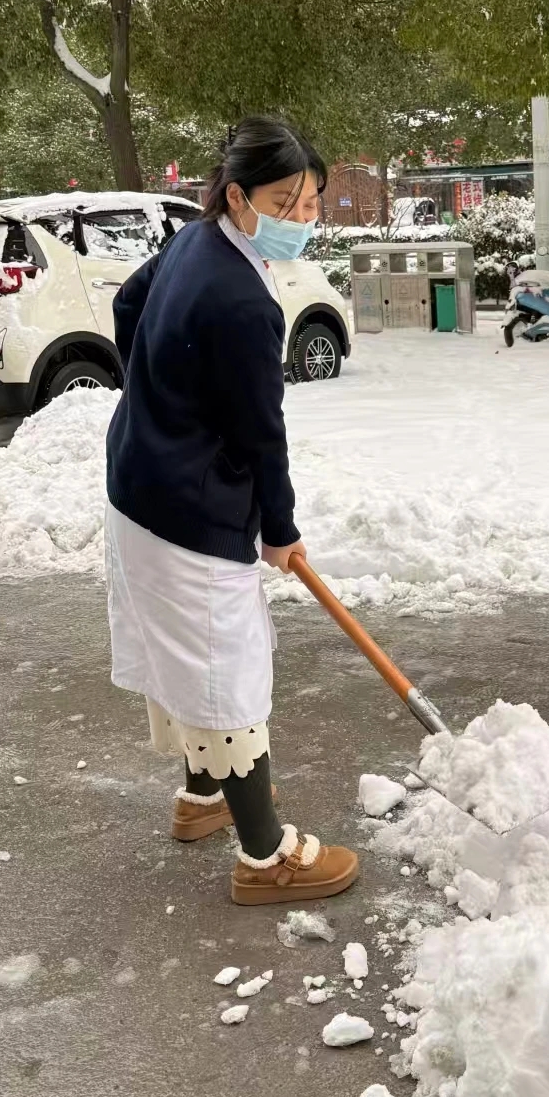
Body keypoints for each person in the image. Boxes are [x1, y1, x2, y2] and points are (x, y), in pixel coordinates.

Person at [103, 116, 359, 906]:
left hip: (141, 485)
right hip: (187, 510)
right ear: (239, 197)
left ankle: (202, 796)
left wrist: (156, 399)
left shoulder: (195, 240)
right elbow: (259, 432)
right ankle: (265, 855)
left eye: (312, 204)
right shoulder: (243, 298)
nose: (302, 220)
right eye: (286, 204)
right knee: (224, 667)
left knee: (188, 655)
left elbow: (128, 303)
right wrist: (280, 528)